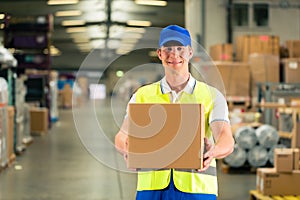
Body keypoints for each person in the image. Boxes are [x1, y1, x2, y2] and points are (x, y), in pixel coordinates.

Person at [115, 25, 234, 200]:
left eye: (180, 49)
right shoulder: (143, 95)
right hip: (151, 190)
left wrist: (213, 152)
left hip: (197, 189)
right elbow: (122, 135)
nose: (174, 54)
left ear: (190, 53)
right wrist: (127, 152)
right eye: (168, 49)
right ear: (160, 54)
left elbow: (226, 138)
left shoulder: (211, 96)